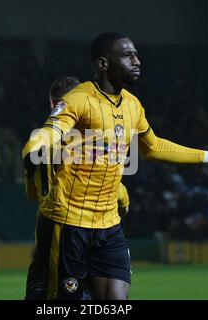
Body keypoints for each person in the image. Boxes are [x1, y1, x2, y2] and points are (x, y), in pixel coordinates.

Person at [22, 33, 208, 300]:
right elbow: (50, 131)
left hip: (109, 226)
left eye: (135, 54)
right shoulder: (79, 99)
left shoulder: (133, 106)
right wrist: (34, 150)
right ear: (102, 64)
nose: (137, 61)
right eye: (127, 55)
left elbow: (155, 147)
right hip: (69, 226)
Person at [24, 75, 130, 299]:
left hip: (50, 235)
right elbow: (118, 192)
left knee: (42, 291)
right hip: (87, 234)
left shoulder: (40, 141)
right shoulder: (89, 145)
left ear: (52, 104)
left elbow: (31, 194)